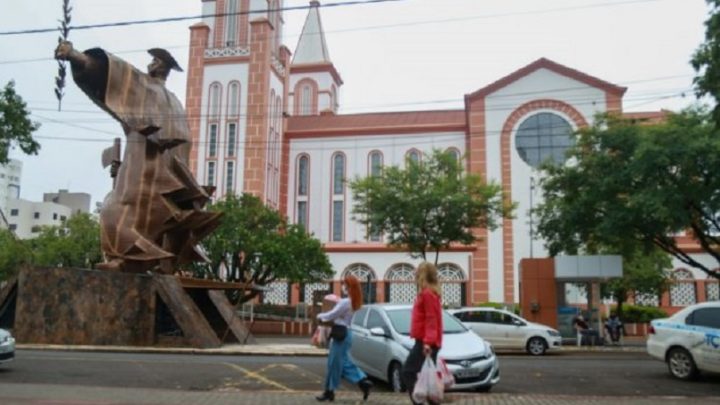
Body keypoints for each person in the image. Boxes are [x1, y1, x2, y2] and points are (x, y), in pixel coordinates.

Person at [54, 41, 221, 274]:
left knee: (116, 208)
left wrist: (75, 56)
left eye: (155, 60)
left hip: (146, 158)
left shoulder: (146, 86)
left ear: (162, 68)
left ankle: (126, 258)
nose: (150, 64)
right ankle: (152, 260)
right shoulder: (175, 102)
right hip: (162, 168)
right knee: (146, 210)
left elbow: (114, 76)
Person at [315, 276, 373, 402]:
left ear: (349, 286)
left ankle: (330, 391)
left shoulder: (345, 302)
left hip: (341, 334)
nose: (343, 286)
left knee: (335, 364)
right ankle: (362, 382)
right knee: (338, 363)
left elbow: (332, 314)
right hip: (345, 334)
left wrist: (319, 315)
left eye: (344, 284)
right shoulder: (353, 301)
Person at [402, 262, 443, 405]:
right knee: (426, 378)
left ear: (423, 274)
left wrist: (427, 342)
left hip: (426, 342)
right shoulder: (430, 293)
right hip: (426, 340)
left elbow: (431, 319)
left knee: (408, 372)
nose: (415, 274)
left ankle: (420, 402)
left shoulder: (427, 294)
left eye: (417, 271)